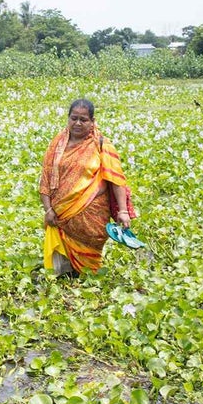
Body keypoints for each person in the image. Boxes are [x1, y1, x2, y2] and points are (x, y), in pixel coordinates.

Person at [39, 98, 133, 276]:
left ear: (92, 122)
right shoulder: (57, 144)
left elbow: (116, 180)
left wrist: (123, 211)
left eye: (83, 119)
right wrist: (48, 208)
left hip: (93, 213)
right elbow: (45, 178)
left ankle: (88, 274)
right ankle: (66, 274)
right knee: (63, 269)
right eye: (74, 118)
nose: (78, 123)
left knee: (90, 259)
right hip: (60, 213)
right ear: (68, 118)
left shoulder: (101, 144)